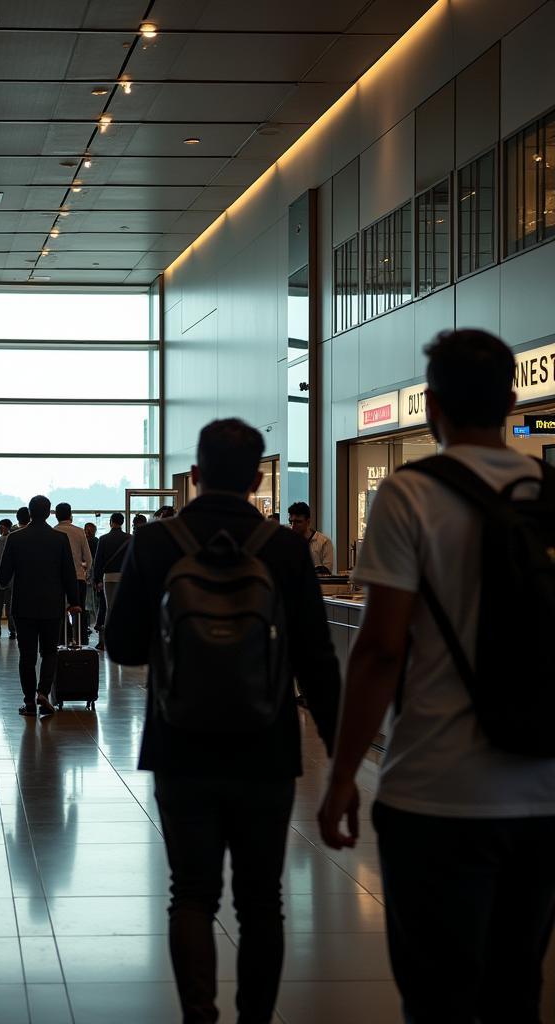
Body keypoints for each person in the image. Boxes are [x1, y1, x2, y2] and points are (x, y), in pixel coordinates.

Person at [318, 329, 555, 1024]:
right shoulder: (550, 492)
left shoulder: (410, 494)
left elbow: (381, 650)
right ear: (512, 402)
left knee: (438, 997)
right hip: (543, 791)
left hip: (437, 793)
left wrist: (340, 777)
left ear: (433, 411)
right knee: (517, 991)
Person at [106, 419, 341, 1024]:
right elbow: (317, 659)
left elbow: (124, 648)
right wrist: (341, 759)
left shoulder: (158, 543)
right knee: (263, 900)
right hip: (266, 744)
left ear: (197, 474)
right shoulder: (285, 548)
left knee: (191, 894)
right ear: (260, 476)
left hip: (180, 744)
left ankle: (200, 1016)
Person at [0, 495, 80, 718]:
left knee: (27, 655)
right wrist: (74, 601)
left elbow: (3, 577)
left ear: (30, 512)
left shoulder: (15, 538)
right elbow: (69, 573)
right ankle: (43, 692)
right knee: (50, 652)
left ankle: (29, 702)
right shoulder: (59, 539)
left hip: (23, 606)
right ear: (49, 512)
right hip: (52, 605)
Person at [53, 502, 92, 645]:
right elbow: (88, 558)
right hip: (78, 578)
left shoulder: (54, 531)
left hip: (58, 580)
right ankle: (81, 639)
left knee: (60, 612)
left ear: (56, 516)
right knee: (78, 610)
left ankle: (63, 638)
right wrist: (85, 573)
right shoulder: (79, 532)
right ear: (71, 515)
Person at [91, 511, 129, 652]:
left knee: (109, 608)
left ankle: (109, 640)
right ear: (122, 522)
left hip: (109, 577)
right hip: (125, 578)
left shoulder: (104, 539)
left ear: (111, 521)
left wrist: (97, 579)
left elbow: (98, 561)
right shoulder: (129, 538)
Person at [287, 501, 334, 574]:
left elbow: (327, 570)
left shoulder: (323, 542)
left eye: (298, 522)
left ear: (308, 522)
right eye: (291, 522)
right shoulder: (287, 541)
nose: (293, 526)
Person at [0, 518, 16, 639]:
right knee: (9, 608)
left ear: (4, 527)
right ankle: (12, 631)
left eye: (0, 526)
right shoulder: (14, 540)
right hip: (11, 579)